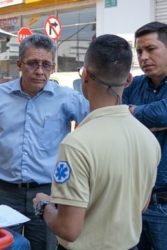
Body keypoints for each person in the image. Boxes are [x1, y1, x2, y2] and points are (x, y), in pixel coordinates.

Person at [0, 33, 89, 249]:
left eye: (46, 64)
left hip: (48, 194)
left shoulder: (67, 98)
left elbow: (96, 124)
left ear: (53, 66)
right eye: (32, 63)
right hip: (5, 193)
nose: (40, 71)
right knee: (3, 246)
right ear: (19, 64)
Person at [33, 34, 161, 250]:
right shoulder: (148, 138)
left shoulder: (76, 144)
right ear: (128, 80)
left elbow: (68, 229)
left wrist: (43, 205)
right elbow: (141, 205)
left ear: (85, 75)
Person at [122, 21, 167, 250]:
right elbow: (112, 116)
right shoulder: (134, 86)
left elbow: (162, 115)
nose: (143, 56)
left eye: (151, 49)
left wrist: (132, 113)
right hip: (134, 202)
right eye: (139, 51)